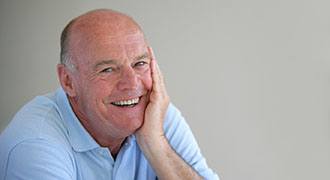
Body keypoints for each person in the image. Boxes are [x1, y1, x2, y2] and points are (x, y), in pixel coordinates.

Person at [0, 9, 219, 180]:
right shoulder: (34, 143)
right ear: (68, 81)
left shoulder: (155, 115)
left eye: (140, 63)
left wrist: (156, 145)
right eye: (108, 69)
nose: (132, 84)